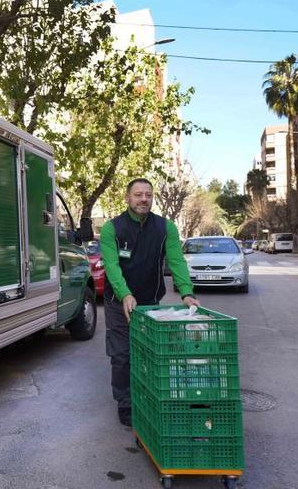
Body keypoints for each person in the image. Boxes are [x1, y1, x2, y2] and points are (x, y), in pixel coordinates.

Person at [100, 178, 199, 426]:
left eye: (148, 195)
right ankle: (125, 404)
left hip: (150, 301)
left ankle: (148, 395)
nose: (143, 199)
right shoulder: (112, 228)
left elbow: (176, 261)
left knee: (149, 353)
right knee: (122, 355)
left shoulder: (165, 228)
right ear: (127, 198)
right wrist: (125, 294)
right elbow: (112, 266)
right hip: (118, 302)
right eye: (138, 195)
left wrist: (186, 292)